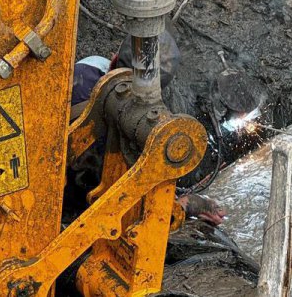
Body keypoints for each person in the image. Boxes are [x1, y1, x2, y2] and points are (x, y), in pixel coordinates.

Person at [67, 28, 225, 225]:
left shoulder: (91, 65)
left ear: (114, 59)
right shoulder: (99, 134)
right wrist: (186, 204)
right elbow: (126, 206)